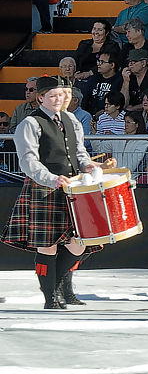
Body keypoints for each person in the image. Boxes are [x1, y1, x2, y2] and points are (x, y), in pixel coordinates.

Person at [3, 77, 99, 309]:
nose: (59, 99)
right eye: (53, 96)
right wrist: (51, 178)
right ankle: (50, 298)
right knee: (48, 245)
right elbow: (28, 161)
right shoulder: (30, 123)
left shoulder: (72, 119)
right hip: (44, 188)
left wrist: (87, 165)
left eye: (62, 95)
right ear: (41, 97)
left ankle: (59, 288)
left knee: (79, 244)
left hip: (73, 188)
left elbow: (79, 151)